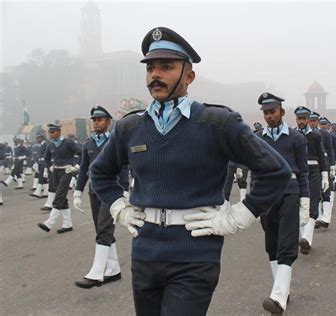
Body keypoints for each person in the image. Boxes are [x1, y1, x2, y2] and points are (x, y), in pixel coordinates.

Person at [89, 27, 291, 316]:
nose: (155, 75)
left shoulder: (216, 122)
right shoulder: (130, 128)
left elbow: (275, 171)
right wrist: (119, 207)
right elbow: (100, 174)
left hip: (195, 254)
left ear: (189, 76)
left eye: (167, 67)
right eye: (150, 68)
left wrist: (240, 216)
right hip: (145, 253)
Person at [255, 95, 309, 314]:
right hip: (268, 196)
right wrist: (254, 202)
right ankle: (283, 290)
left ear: (282, 112)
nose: (269, 116)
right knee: (272, 244)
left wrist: (305, 199)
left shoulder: (296, 139)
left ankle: (277, 297)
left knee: (287, 243)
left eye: (273, 112)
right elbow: (256, 171)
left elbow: (303, 171)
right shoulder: (258, 139)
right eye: (266, 113)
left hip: (290, 193)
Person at [74, 106, 127, 288]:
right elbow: (83, 170)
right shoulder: (88, 144)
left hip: (112, 190)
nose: (96, 122)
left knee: (104, 227)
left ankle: (96, 273)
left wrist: (125, 190)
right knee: (101, 230)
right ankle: (113, 270)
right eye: (94, 120)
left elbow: (124, 166)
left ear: (108, 122)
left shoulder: (115, 141)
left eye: (100, 119)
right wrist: (77, 192)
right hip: (94, 191)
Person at [293, 106, 327, 255]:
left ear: (308, 119)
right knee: (299, 203)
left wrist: (325, 174)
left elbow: (321, 155)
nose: (301, 121)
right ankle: (303, 239)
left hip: (313, 170)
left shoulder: (316, 135)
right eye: (299, 118)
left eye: (304, 118)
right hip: (298, 172)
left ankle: (307, 238)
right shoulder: (292, 135)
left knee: (313, 202)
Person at [37, 123, 82, 234]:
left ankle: (49, 223)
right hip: (56, 171)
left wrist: (76, 166)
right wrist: (50, 167)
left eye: (52, 132)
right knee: (62, 197)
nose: (51, 134)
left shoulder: (68, 143)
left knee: (59, 195)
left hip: (67, 171)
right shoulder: (50, 145)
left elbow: (82, 153)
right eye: (49, 132)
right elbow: (47, 159)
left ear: (59, 132)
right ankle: (67, 224)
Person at [29, 133, 50, 198]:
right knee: (43, 178)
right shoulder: (41, 145)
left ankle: (37, 192)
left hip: (44, 162)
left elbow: (48, 154)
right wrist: (36, 163)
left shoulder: (46, 144)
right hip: (40, 162)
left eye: (38, 138)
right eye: (37, 138)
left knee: (41, 177)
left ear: (42, 138)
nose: (37, 139)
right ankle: (46, 193)